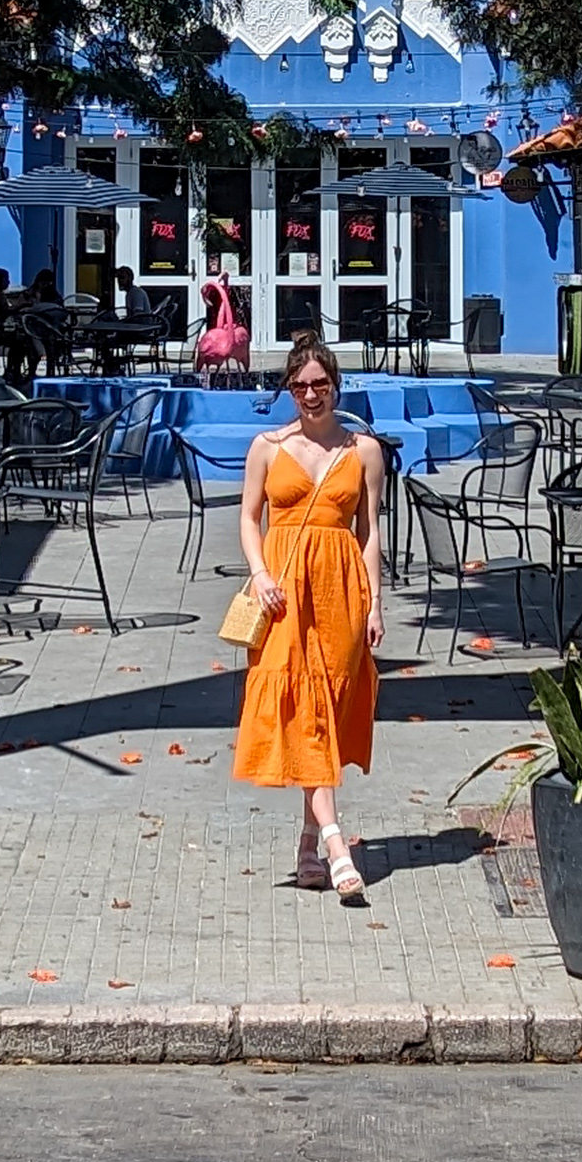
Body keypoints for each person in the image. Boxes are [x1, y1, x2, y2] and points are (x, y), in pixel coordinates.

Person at [233, 334, 385, 903]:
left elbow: (369, 535)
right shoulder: (267, 447)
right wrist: (260, 574)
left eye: (320, 384)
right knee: (301, 712)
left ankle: (305, 846)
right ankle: (336, 845)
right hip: (282, 595)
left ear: (335, 385)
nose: (310, 395)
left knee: (325, 711)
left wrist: (374, 603)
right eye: (299, 386)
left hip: (340, 589)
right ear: (288, 391)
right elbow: (250, 519)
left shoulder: (363, 451)